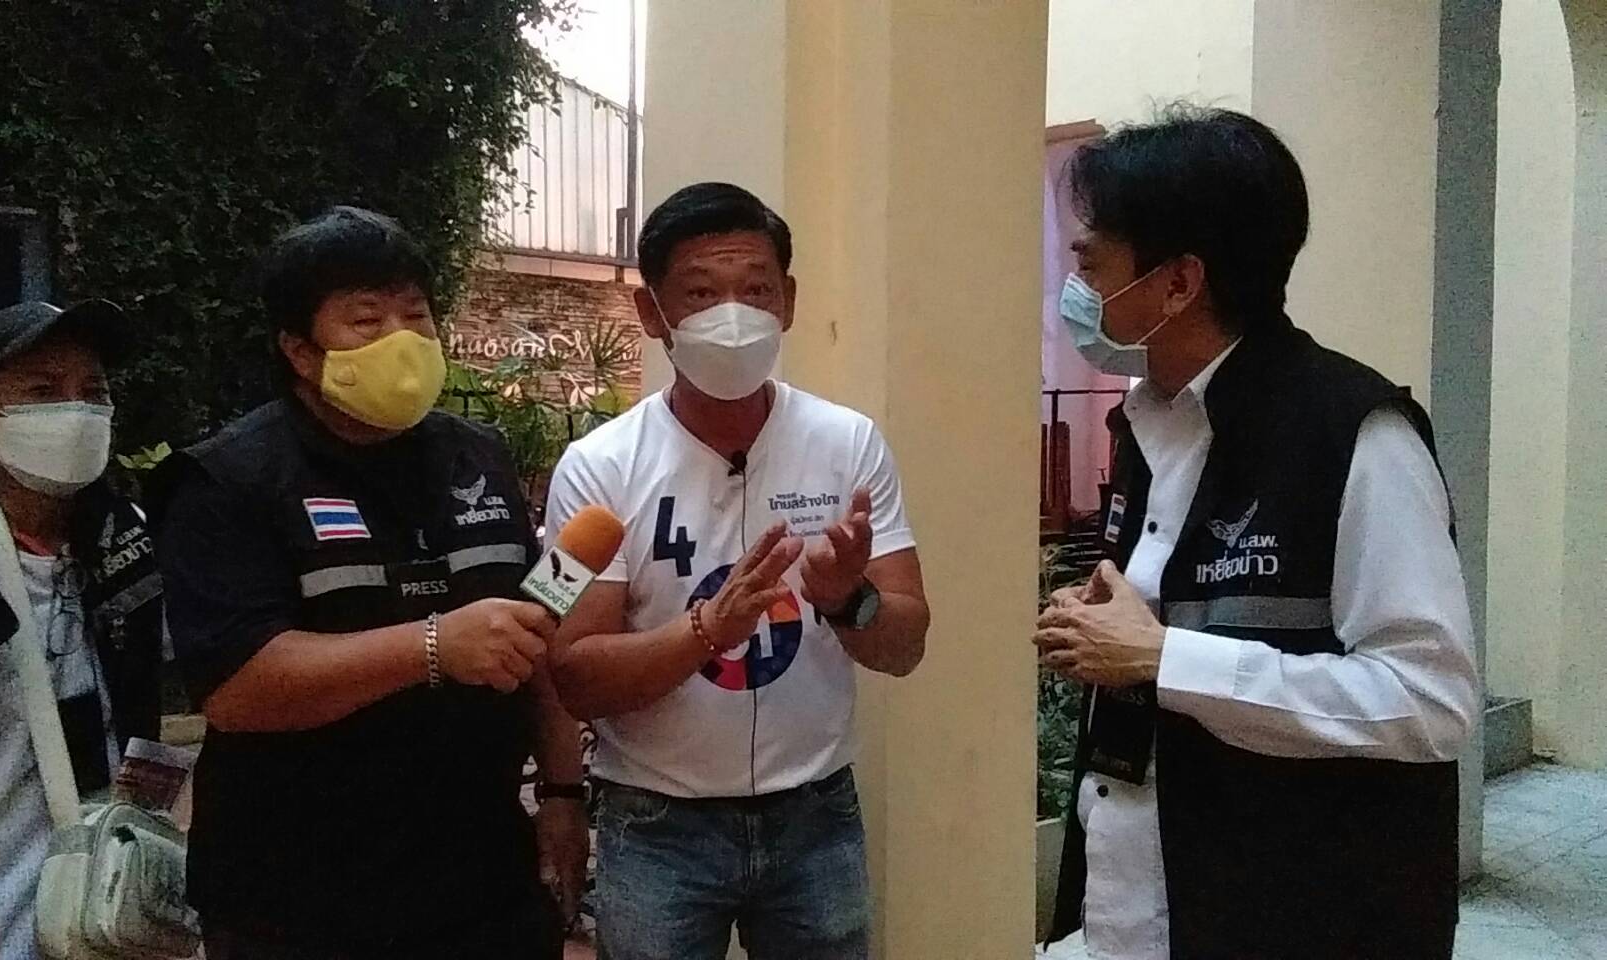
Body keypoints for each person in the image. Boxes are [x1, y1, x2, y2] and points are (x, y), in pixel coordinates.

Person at [1033, 106, 1480, 959]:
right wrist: (1111, 630)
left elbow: (1430, 702)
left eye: (1090, 263)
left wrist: (1164, 657)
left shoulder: (1354, 435)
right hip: (1144, 905)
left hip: (1294, 913)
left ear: (1178, 283)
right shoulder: (1148, 427)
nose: (1073, 290)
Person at [150, 206, 587, 959]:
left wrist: (561, 790)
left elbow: (534, 632)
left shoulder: (477, 455)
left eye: (415, 316)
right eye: (366, 320)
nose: (402, 340)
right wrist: (432, 646)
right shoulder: (228, 479)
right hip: (297, 896)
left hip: (480, 879)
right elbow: (237, 689)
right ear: (299, 349)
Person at [545, 182, 931, 960]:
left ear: (788, 302)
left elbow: (906, 644)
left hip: (816, 819)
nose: (734, 315)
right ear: (652, 313)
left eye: (756, 290)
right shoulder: (596, 469)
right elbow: (573, 674)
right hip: (658, 826)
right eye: (700, 293)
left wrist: (847, 600)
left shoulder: (849, 444)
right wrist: (705, 631)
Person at [0, 300, 164, 960]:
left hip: (106, 904)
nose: (76, 411)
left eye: (93, 391)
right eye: (44, 391)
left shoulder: (124, 539)